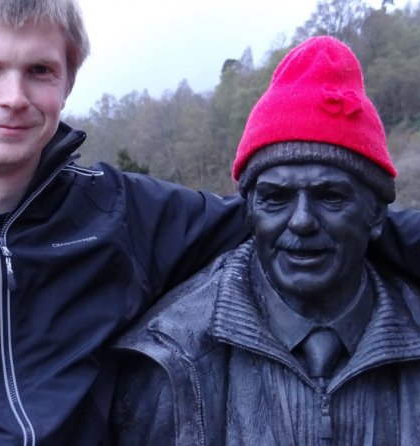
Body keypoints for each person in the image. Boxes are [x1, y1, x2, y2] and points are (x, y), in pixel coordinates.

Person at [0, 3, 417, 445]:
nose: (14, 96)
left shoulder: (120, 212)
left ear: (68, 81)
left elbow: (284, 223)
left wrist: (361, 211)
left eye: (39, 71)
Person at [110, 36, 420, 445]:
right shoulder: (170, 358)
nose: (303, 221)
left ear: (376, 214)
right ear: (250, 212)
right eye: (276, 198)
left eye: (330, 196)